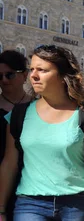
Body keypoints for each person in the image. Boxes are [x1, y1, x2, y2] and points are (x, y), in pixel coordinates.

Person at [0, 45, 84, 221]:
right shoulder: (18, 115)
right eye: (32, 69)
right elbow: (9, 163)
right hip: (30, 203)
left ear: (62, 76)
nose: (33, 76)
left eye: (42, 70)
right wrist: (2, 209)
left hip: (78, 203)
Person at [0, 50, 34, 220]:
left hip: (32, 181)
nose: (4, 80)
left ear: (25, 75)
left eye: (10, 75)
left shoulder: (38, 106)